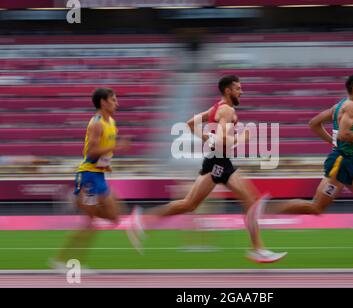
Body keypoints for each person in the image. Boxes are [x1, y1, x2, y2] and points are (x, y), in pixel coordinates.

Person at [128, 75, 286, 263]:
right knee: (243, 202)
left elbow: (190, 123)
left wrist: (206, 138)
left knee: (192, 204)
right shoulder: (226, 110)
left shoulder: (215, 108)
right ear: (228, 90)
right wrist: (242, 138)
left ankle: (143, 219)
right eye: (238, 88)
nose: (241, 91)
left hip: (218, 161)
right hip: (219, 162)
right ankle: (257, 249)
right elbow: (221, 140)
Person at [268, 75, 353, 264]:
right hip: (341, 164)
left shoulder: (339, 106)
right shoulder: (351, 106)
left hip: (347, 161)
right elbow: (343, 135)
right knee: (316, 207)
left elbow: (313, 124)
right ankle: (269, 209)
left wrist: (332, 142)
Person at [50, 88, 130, 268]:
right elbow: (90, 152)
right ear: (103, 102)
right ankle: (63, 261)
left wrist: (107, 163)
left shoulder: (112, 123)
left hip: (99, 176)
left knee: (114, 217)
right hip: (88, 177)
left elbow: (102, 153)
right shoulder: (97, 124)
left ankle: (76, 201)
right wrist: (117, 147)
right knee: (90, 223)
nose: (117, 103)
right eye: (114, 100)